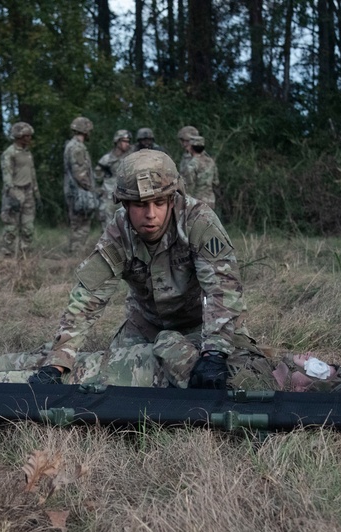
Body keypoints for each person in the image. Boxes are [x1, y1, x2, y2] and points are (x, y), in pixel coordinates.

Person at [29, 150, 253, 390]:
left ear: (172, 199)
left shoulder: (198, 221)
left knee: (236, 377)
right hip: (147, 325)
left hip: (202, 324)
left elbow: (222, 289)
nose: (150, 215)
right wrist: (57, 361)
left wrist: (215, 352)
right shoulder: (118, 232)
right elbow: (87, 298)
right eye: (139, 205)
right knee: (115, 378)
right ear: (124, 204)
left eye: (159, 203)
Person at [0, 327, 341, 394]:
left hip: (115, 375)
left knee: (5, 378)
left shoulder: (259, 384)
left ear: (309, 387)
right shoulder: (257, 359)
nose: (310, 358)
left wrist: (190, 351)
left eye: (319, 369)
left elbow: (172, 347)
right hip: (118, 358)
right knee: (13, 355)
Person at [0, 122, 41, 256]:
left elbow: (32, 172)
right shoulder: (9, 153)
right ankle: (8, 257)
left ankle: (25, 257)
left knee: (28, 227)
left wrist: (36, 192)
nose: (30, 138)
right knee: (11, 228)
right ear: (19, 137)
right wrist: (13, 194)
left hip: (28, 192)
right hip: (14, 193)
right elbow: (7, 175)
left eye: (30, 136)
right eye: (27, 136)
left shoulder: (27, 153)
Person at [63, 116, 97, 254]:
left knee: (76, 223)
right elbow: (80, 173)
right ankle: (77, 253)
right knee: (82, 223)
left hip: (73, 190)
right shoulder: (77, 148)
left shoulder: (71, 145)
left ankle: (74, 251)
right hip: (79, 192)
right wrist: (91, 189)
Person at [95, 129, 132, 229]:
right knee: (107, 225)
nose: (127, 144)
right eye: (124, 141)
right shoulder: (106, 159)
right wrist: (99, 192)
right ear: (117, 141)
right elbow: (97, 178)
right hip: (109, 196)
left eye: (128, 141)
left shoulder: (131, 158)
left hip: (126, 197)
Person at [180, 135, 220, 209]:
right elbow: (216, 182)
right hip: (210, 200)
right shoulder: (211, 161)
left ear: (191, 148)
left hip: (197, 201)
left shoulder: (192, 164)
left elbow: (189, 185)